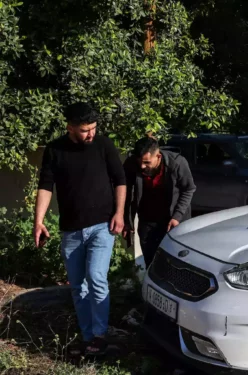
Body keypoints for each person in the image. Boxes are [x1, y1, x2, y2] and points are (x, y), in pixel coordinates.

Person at [34, 102, 126, 356]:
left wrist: (119, 214)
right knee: (78, 285)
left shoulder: (104, 145)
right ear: (70, 128)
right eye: (85, 130)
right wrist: (38, 221)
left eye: (94, 128)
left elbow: (120, 180)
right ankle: (88, 337)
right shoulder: (54, 150)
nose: (91, 134)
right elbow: (45, 185)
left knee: (96, 278)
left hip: (102, 226)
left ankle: (100, 334)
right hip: (71, 230)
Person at [123, 137, 196, 267]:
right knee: (151, 262)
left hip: (174, 221)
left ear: (158, 156)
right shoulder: (131, 164)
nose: (142, 166)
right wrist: (127, 221)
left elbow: (188, 189)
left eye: (147, 162)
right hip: (147, 219)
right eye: (140, 162)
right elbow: (125, 193)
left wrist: (177, 216)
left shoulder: (177, 163)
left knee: (177, 262)